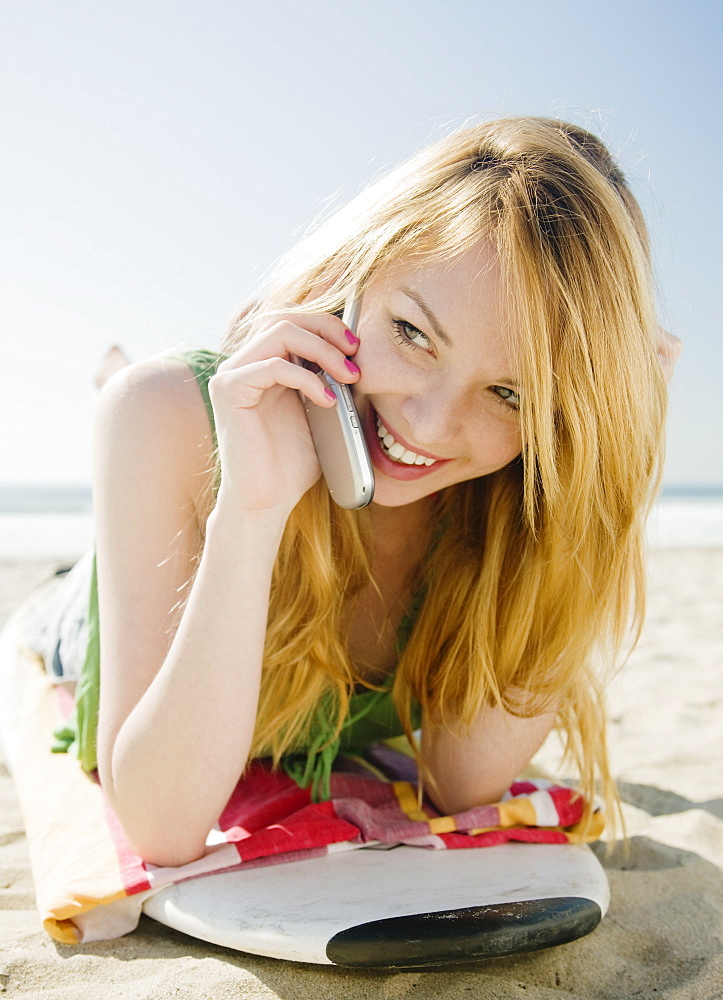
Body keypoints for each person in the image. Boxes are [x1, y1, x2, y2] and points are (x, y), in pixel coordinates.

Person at [37, 116, 678, 868]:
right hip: (88, 609)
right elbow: (162, 828)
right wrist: (249, 509)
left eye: (508, 392)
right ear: (352, 271)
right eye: (412, 332)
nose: (431, 425)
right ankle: (112, 368)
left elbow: (463, 779)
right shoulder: (166, 416)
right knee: (135, 393)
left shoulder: (505, 494)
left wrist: (606, 478)